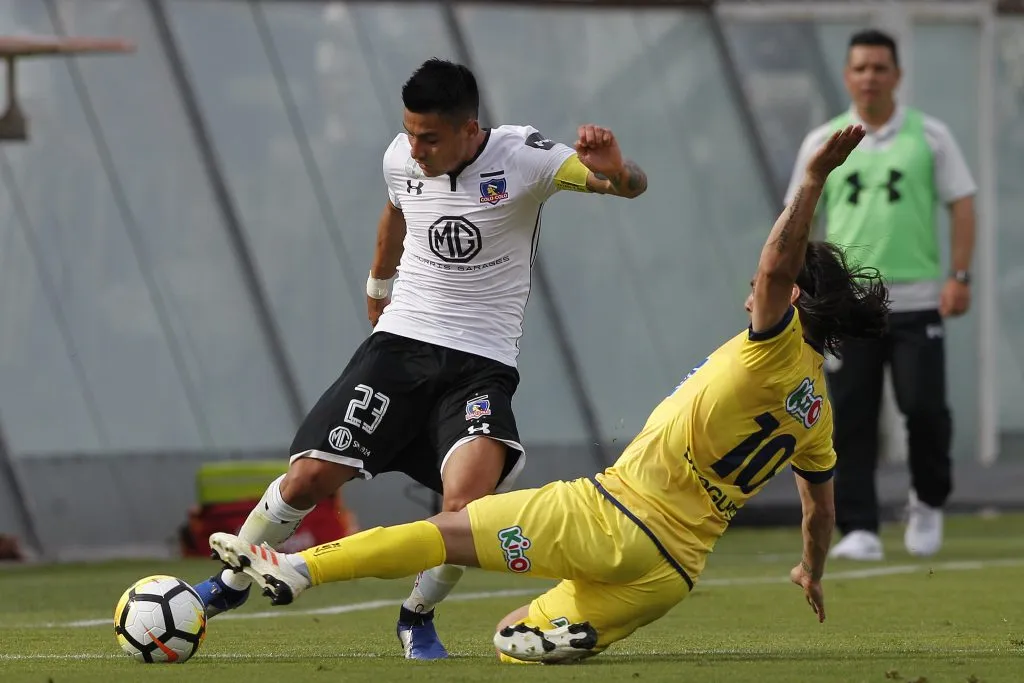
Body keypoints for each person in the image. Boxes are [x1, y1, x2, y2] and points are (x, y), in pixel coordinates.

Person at [207, 126, 888, 664]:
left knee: (441, 532)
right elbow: (819, 508)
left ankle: (298, 568)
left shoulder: (771, 341)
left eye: (764, 282)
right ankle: (565, 635)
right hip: (670, 574)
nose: (750, 289)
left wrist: (813, 177)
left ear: (793, 295)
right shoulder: (814, 408)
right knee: (510, 639)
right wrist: (811, 568)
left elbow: (775, 259)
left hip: (609, 516)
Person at [190, 58, 648, 660]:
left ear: (469, 129)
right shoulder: (400, 158)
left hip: (481, 364)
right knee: (309, 476)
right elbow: (398, 210)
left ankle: (417, 615)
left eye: (429, 137)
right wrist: (378, 287)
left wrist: (618, 171)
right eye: (409, 132)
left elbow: (625, 184)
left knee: (469, 508)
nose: (416, 148)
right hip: (401, 346)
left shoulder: (525, 157)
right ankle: (228, 584)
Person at [785, 30, 977, 562]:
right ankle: (859, 526)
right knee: (850, 415)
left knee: (925, 408)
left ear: (896, 75)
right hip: (848, 308)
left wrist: (960, 274)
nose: (870, 76)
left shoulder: (930, 136)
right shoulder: (822, 141)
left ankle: (928, 502)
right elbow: (798, 216)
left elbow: (962, 203)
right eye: (860, 68)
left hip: (918, 302)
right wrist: (800, 287)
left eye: (879, 67)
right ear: (848, 76)